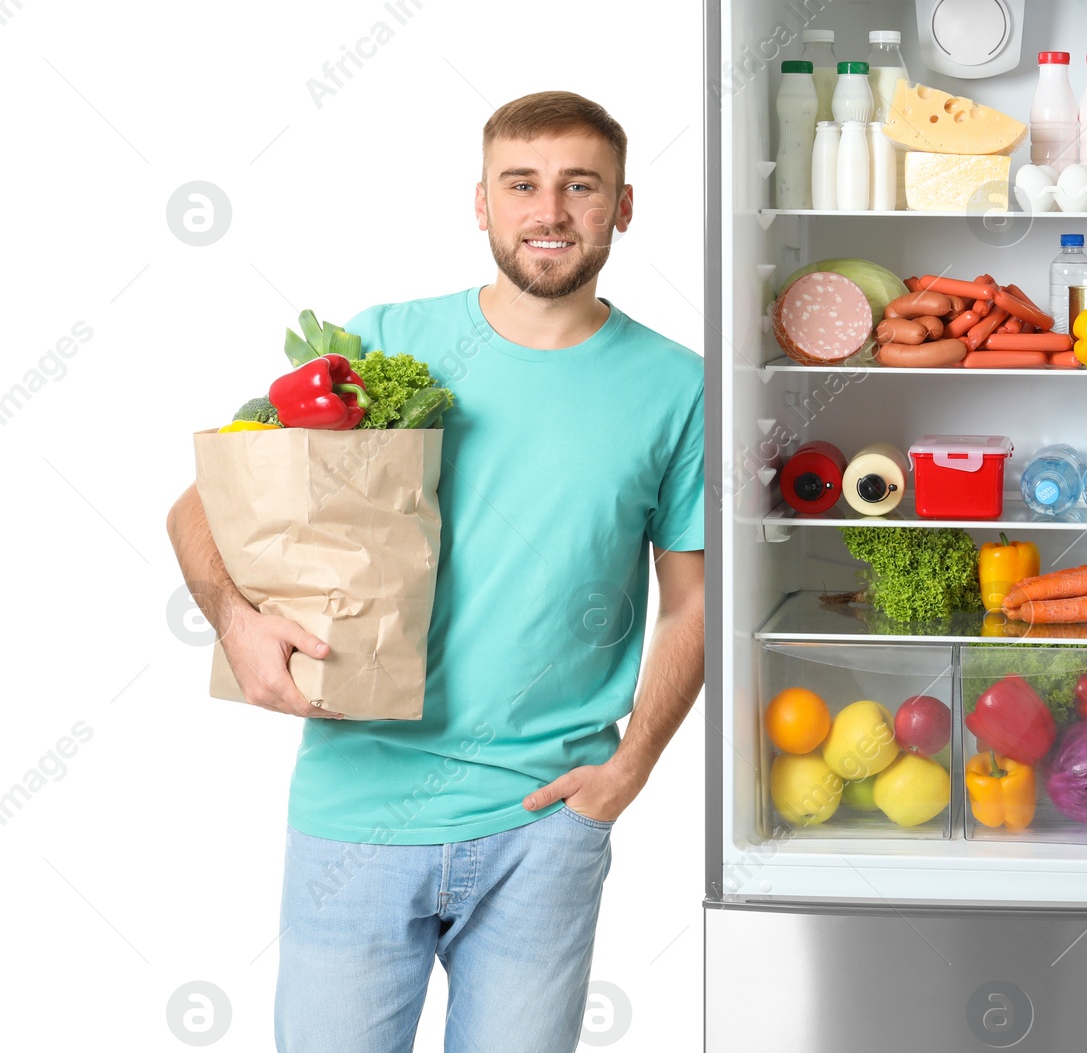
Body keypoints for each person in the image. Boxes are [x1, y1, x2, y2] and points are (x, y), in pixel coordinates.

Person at [166, 91, 706, 1053]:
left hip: (544, 823)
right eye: (522, 185)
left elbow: (693, 603)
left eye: (581, 186)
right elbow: (203, 503)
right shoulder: (387, 343)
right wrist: (237, 624)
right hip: (356, 809)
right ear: (482, 203)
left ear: (623, 207)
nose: (550, 211)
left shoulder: (679, 387)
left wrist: (632, 767)